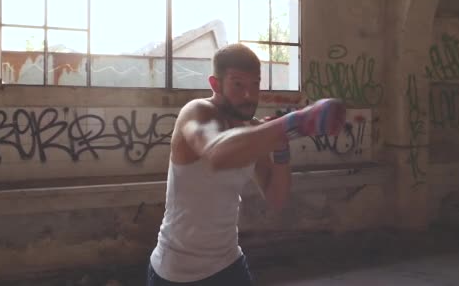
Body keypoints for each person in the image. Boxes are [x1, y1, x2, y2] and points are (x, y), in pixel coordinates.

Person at [147, 43, 346, 285]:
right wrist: (296, 122)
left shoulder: (251, 131)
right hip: (177, 269)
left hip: (228, 261)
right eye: (238, 84)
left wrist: (282, 143)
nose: (249, 95)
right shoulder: (197, 112)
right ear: (215, 84)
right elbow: (217, 152)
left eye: (255, 84)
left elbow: (276, 198)